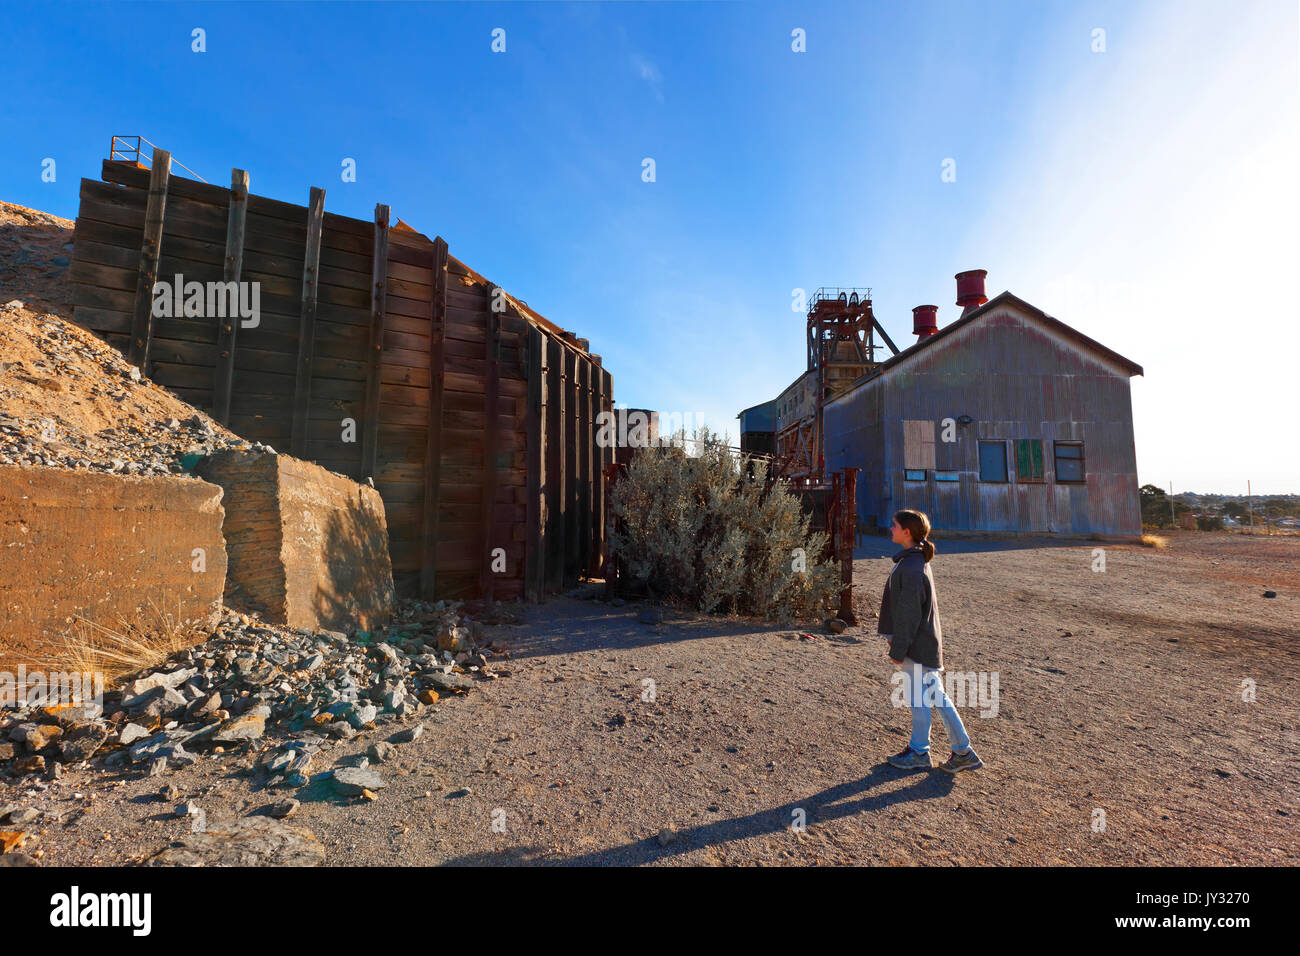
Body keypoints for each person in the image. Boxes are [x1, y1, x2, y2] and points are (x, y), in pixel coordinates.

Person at [877, 509, 983, 773]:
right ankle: (932, 750)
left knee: (929, 697)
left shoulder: (912, 566)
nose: (891, 529)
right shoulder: (911, 561)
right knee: (928, 696)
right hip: (920, 643)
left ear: (907, 532)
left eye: (894, 525)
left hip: (918, 645)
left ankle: (947, 751)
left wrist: (899, 648)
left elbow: (909, 614)